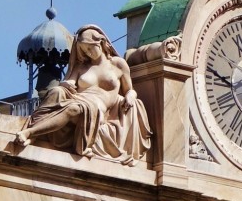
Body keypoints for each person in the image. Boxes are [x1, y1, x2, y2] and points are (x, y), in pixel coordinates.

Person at [13, 25, 151, 165]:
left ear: (101, 42)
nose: (88, 53)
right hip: (78, 98)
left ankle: (31, 133)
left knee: (74, 108)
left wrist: (130, 96)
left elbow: (129, 89)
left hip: (96, 107)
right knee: (57, 91)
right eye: (84, 50)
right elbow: (70, 83)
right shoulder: (81, 67)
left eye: (90, 48)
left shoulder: (118, 64)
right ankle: (33, 135)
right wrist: (65, 85)